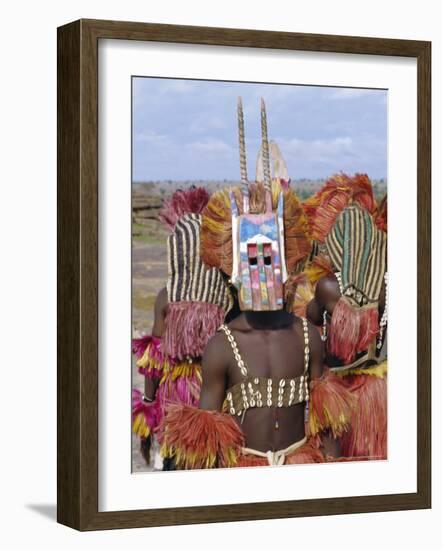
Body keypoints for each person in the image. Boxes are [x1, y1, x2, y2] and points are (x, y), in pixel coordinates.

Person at [159, 99, 354, 469]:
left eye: (270, 257)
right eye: (253, 259)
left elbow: (327, 426)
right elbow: (206, 444)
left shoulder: (307, 336)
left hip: (301, 467)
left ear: (287, 262)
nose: (262, 269)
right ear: (231, 269)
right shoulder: (221, 346)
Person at [132, 187, 233, 467]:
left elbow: (154, 361)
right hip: (213, 394)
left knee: (175, 463)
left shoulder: (167, 296)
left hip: (173, 398)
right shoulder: (225, 296)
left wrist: (149, 404)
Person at [302, 174, 388, 460]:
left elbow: (310, 316)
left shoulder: (328, 287)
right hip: (381, 392)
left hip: (340, 396)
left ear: (338, 244)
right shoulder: (387, 283)